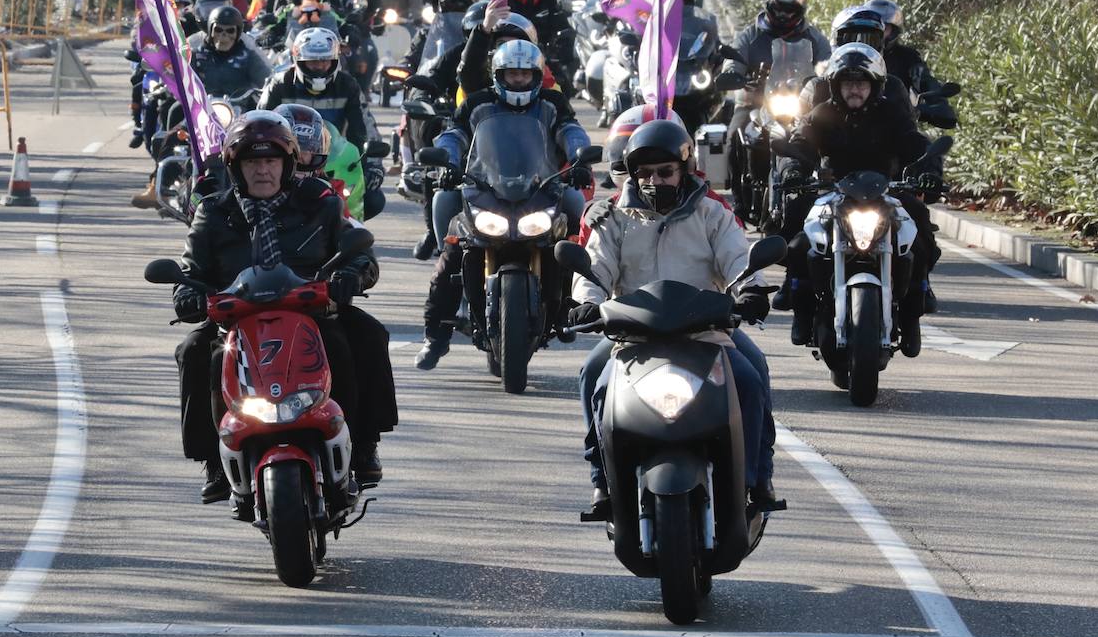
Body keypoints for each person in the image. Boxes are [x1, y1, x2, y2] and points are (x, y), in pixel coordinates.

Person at [170, 112, 396, 501]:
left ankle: (361, 445)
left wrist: (352, 276)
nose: (262, 171)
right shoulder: (212, 211)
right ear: (235, 167)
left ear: (288, 164)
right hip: (235, 320)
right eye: (252, 162)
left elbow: (362, 253)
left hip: (314, 311)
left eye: (271, 161)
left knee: (365, 336)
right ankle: (213, 460)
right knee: (193, 350)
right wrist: (187, 294)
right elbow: (190, 270)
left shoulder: (322, 202)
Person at [568, 120, 779, 518]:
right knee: (592, 378)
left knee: (752, 379)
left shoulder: (713, 211)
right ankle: (603, 482)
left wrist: (750, 290)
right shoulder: (612, 217)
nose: (655, 181)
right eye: (645, 173)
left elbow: (738, 257)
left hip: (707, 332)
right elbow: (594, 266)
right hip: (631, 337)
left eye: (665, 172)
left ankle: (756, 478)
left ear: (685, 169)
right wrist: (587, 302)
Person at [414, 39, 591, 369]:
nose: (519, 81)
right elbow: (454, 135)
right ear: (498, 74)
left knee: (574, 219)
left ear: (537, 76)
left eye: (525, 75)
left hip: (540, 189)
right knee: (452, 247)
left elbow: (572, 131)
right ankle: (435, 337)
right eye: (512, 74)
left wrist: (580, 159)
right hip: (485, 189)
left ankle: (569, 306)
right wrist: (446, 164)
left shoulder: (552, 103)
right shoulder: (478, 103)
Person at [776, 43, 943, 356]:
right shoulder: (822, 113)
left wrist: (929, 169)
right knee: (797, 239)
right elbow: (800, 144)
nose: (855, 89)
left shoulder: (892, 113)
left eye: (861, 83)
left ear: (874, 86)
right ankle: (800, 304)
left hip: (886, 191)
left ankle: (913, 309)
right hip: (832, 192)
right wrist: (792, 170)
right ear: (836, 86)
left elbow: (916, 143)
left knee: (919, 233)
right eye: (848, 83)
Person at [716, 0, 831, 206]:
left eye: (790, 10)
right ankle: (739, 202)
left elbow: (827, 62)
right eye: (779, 8)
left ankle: (823, 193)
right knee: (734, 135)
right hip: (754, 101)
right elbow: (734, 59)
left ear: (800, 11)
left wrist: (825, 76)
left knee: (826, 131)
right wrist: (734, 73)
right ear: (769, 6)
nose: (783, 14)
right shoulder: (751, 34)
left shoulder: (813, 37)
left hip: (801, 102)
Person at [866, 0, 958, 129]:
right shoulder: (853, 54)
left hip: (898, 128)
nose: (879, 32)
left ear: (893, 31)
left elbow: (926, 81)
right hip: (855, 128)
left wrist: (935, 105)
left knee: (923, 147)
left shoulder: (908, 57)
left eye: (884, 27)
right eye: (874, 27)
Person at [188, 5, 269, 102]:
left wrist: (269, 87)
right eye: (218, 30)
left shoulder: (248, 57)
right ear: (210, 31)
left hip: (241, 111)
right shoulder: (195, 56)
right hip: (202, 108)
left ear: (238, 33)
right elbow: (182, 81)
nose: (223, 35)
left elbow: (266, 81)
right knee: (174, 109)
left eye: (230, 31)